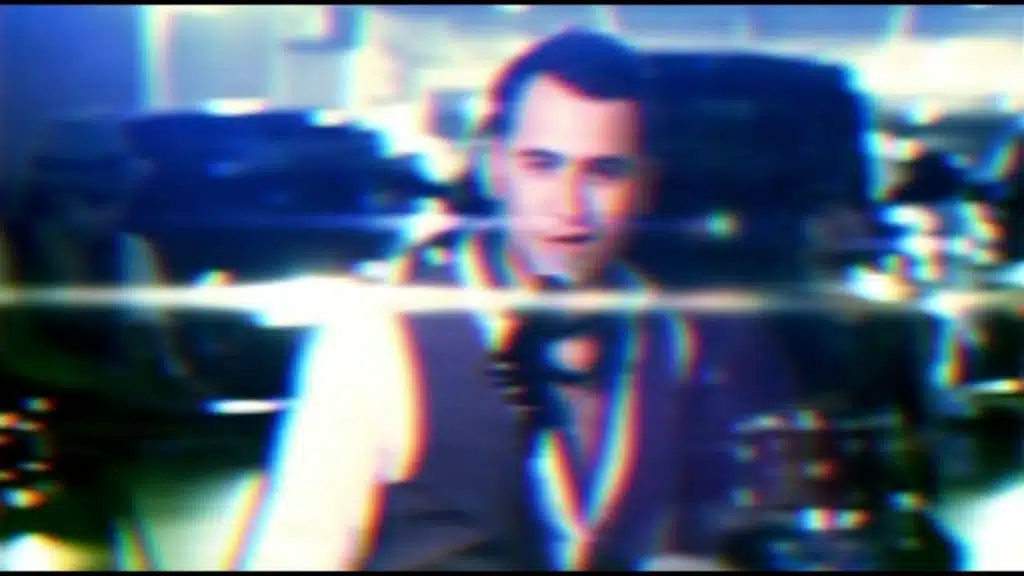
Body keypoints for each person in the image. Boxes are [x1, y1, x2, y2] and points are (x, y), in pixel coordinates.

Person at [247, 30, 798, 571]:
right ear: (495, 167)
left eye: (603, 173)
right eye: (542, 165)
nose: (569, 207)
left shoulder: (676, 342)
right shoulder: (379, 335)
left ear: (645, 185)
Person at [0, 114, 195, 570]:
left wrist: (170, 383)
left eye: (116, 198)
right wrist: (107, 382)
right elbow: (15, 348)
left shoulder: (132, 253)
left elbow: (149, 349)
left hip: (93, 459)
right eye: (94, 198)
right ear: (54, 195)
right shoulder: (7, 251)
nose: (109, 211)